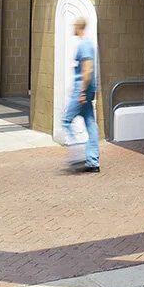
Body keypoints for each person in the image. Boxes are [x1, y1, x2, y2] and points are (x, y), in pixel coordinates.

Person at [61, 17, 100, 172]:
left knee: (66, 120)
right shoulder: (87, 44)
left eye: (74, 25)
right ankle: (92, 161)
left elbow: (87, 70)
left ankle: (78, 153)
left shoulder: (84, 45)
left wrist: (82, 92)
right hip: (86, 90)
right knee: (90, 123)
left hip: (82, 90)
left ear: (78, 27)